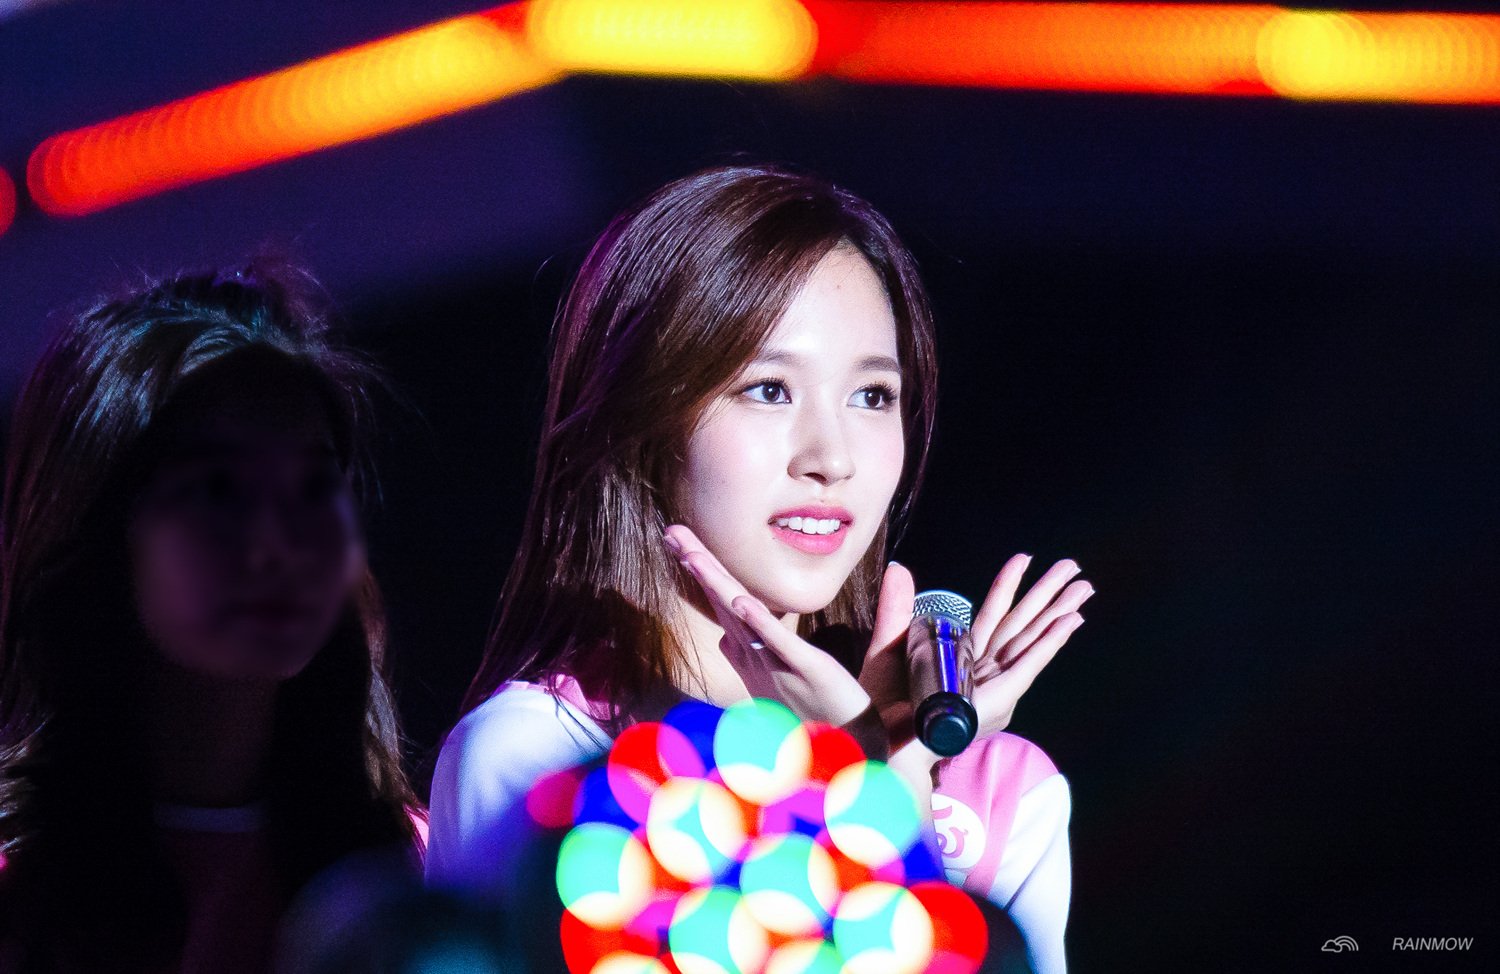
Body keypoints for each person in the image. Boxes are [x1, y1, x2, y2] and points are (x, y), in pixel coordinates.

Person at [426, 165, 1091, 973]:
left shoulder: (1003, 798)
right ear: (646, 414)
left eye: (873, 396)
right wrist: (847, 798)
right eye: (769, 389)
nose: (832, 458)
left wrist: (887, 787)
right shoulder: (539, 760)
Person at [0, 264, 420, 972]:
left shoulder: (407, 865)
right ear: (98, 532)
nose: (280, 541)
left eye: (313, 485)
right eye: (219, 491)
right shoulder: (17, 895)